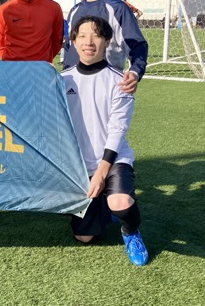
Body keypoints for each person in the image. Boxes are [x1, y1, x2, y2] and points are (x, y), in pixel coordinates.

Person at [61, 15, 149, 266]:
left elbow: (117, 129)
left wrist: (101, 172)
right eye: (82, 36)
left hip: (113, 159)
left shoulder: (120, 81)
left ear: (108, 41)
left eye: (97, 35)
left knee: (120, 202)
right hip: (80, 165)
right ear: (73, 42)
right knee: (84, 236)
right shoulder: (62, 79)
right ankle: (102, 207)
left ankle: (130, 231)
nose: (89, 42)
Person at [63, 0, 148, 94]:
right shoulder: (75, 10)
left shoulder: (118, 9)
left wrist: (135, 72)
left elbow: (137, 45)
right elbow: (69, 47)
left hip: (103, 86)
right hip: (72, 86)